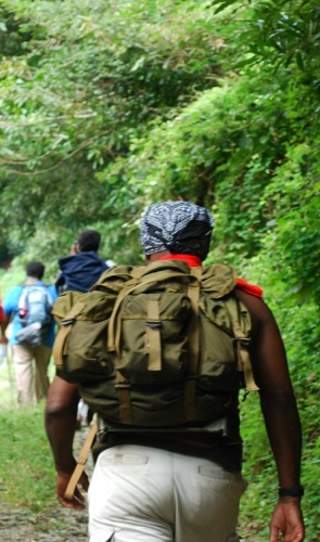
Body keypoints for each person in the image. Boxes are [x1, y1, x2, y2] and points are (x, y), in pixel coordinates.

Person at [45, 201, 304, 542]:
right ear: (205, 242)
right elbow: (280, 399)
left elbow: (57, 405)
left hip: (125, 476)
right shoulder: (243, 303)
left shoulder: (108, 300)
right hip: (210, 477)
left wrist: (66, 467)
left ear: (146, 243)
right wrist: (289, 495)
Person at [3, 261, 57, 405]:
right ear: (42, 274)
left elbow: (4, 314)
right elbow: (58, 314)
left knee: (23, 370)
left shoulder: (17, 291)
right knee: (42, 372)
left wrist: (3, 335)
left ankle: (26, 405)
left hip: (21, 338)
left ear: (27, 273)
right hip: (45, 338)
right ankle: (45, 403)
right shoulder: (51, 290)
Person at [55, 229, 109, 294]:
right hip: (96, 302)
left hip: (72, 302)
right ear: (98, 247)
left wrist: (72, 256)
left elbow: (57, 286)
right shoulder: (105, 268)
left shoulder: (68, 266)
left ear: (78, 246)